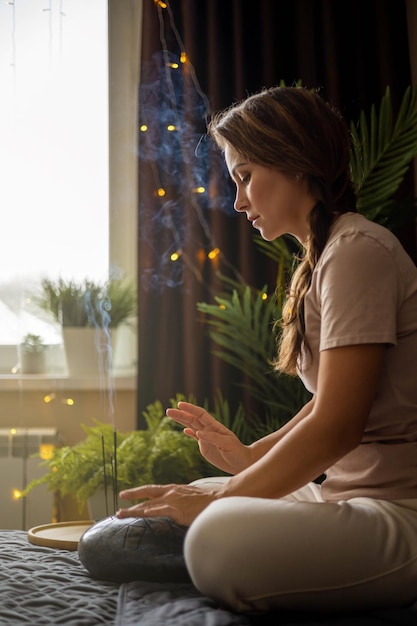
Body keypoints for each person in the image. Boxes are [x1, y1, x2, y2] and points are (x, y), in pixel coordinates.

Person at [116, 86, 417, 613]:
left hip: (399, 508)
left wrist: (227, 498)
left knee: (216, 534)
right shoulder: (325, 257)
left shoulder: (357, 251)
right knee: (194, 494)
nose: (237, 201)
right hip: (344, 493)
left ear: (294, 161)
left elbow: (339, 424)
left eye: (245, 176)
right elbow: (331, 399)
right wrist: (251, 458)